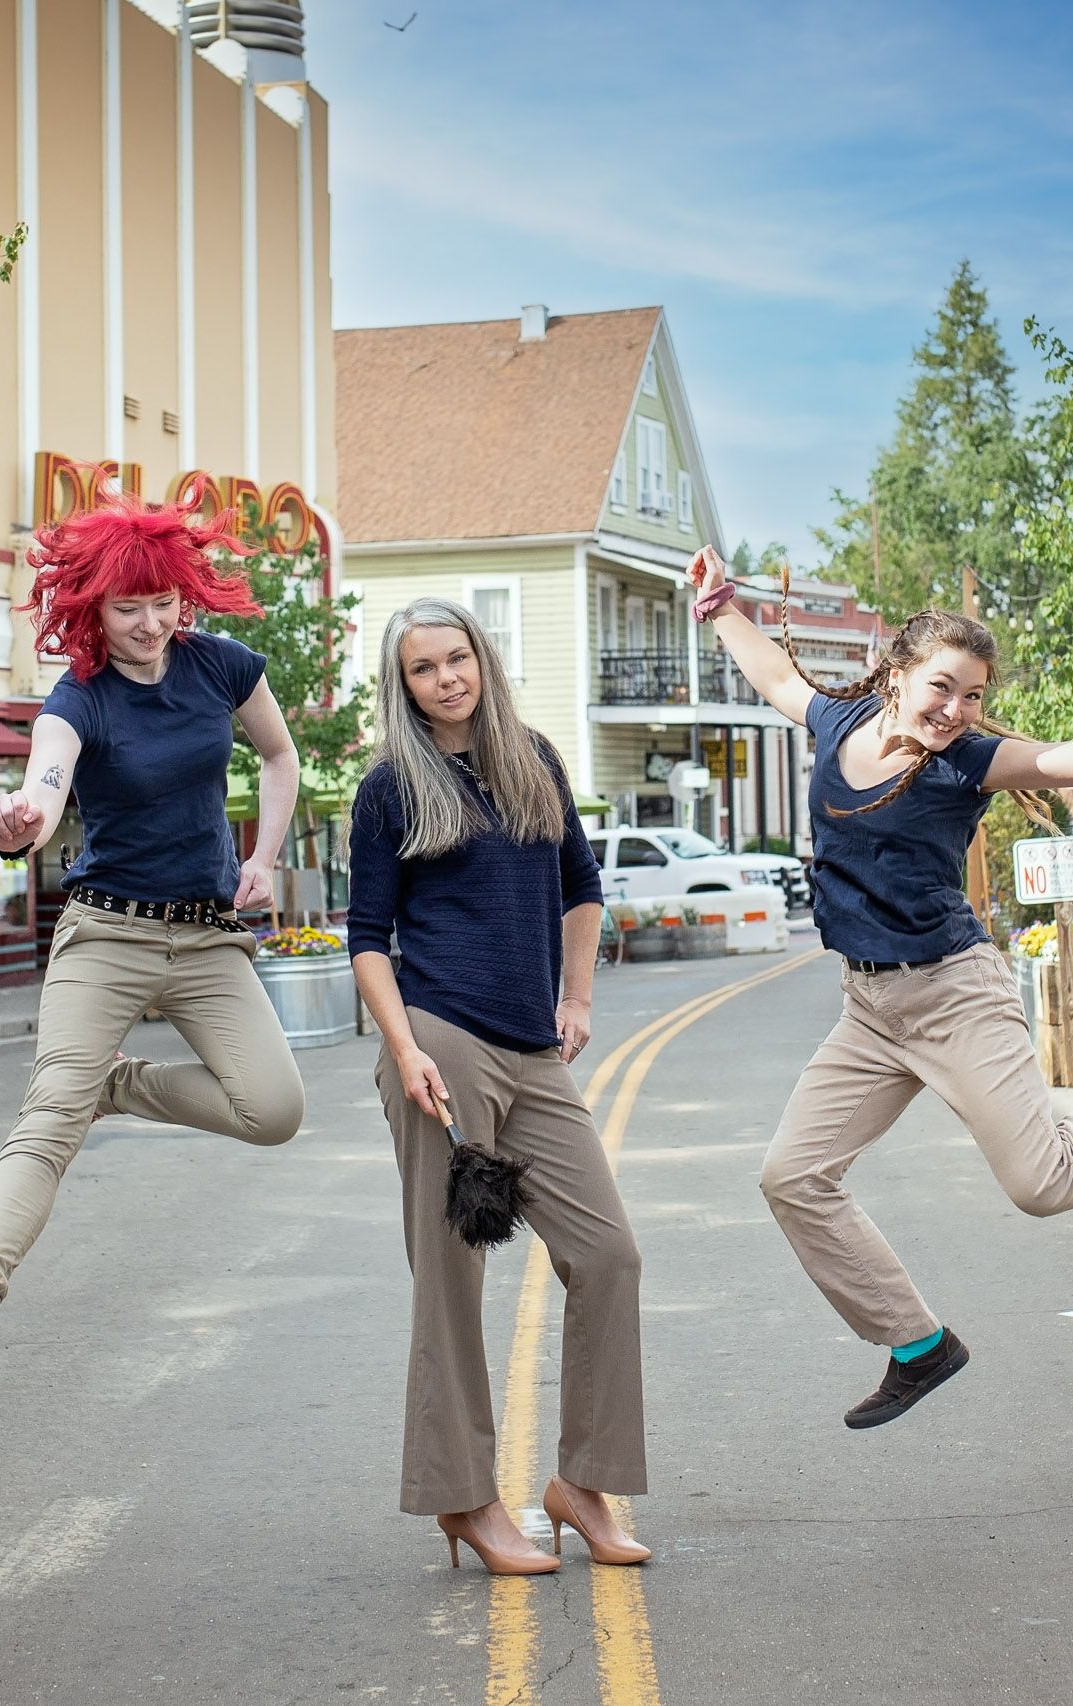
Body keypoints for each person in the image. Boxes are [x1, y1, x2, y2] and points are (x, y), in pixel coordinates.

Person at [685, 546, 1073, 1430]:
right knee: (792, 1177)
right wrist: (722, 603)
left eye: (974, 696)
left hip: (955, 995)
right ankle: (918, 1343)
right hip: (869, 1009)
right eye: (942, 689)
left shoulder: (969, 762)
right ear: (896, 675)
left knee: (1045, 1184)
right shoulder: (837, 723)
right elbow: (773, 674)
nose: (957, 710)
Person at [0, 485, 307, 1365]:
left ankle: (112, 1084)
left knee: (273, 1110)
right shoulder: (78, 697)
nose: (151, 623)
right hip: (107, 934)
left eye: (164, 603)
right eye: (130, 607)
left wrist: (263, 856)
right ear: (93, 607)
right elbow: (47, 779)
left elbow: (278, 753)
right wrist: (20, 823)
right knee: (49, 1117)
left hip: (206, 938)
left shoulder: (223, 666)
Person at [347, 597, 650, 1575]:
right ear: (403, 685)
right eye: (423, 668)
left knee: (607, 1252)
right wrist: (405, 1051)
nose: (446, 678)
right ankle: (466, 1498)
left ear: (483, 657)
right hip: (443, 1048)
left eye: (456, 657)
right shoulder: (392, 785)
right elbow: (366, 940)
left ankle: (582, 1482)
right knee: (453, 1277)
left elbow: (581, 885)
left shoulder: (534, 759)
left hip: (533, 1050)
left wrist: (579, 996)